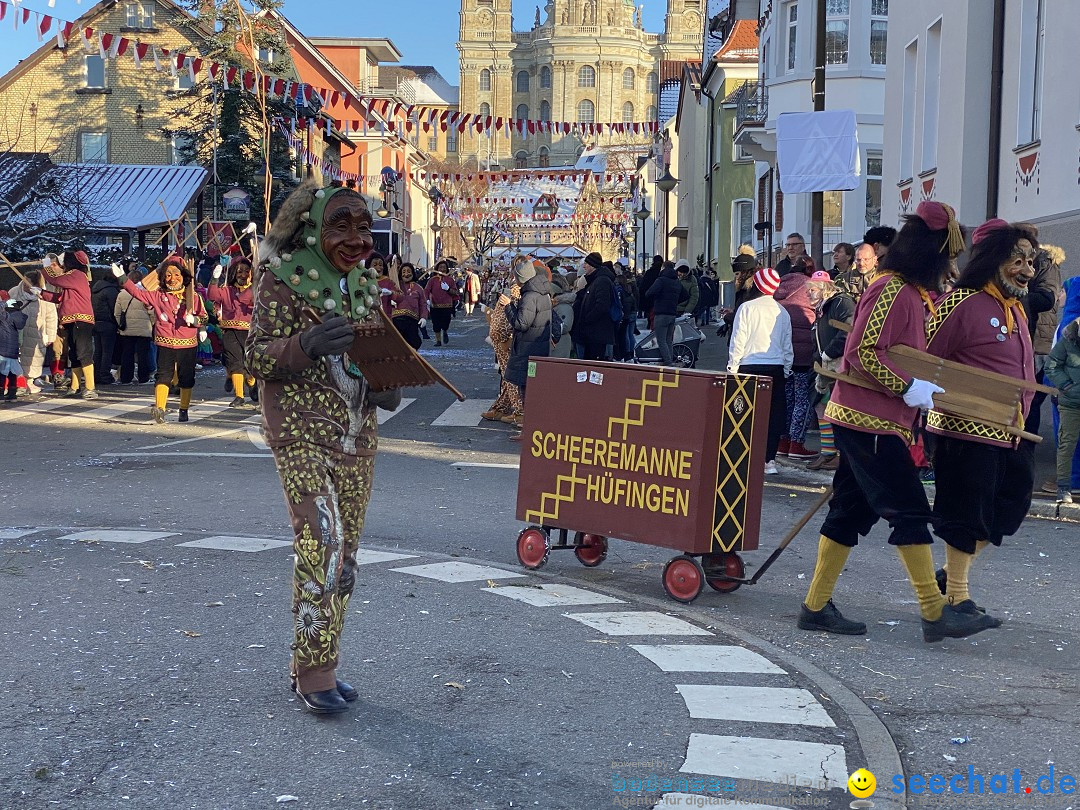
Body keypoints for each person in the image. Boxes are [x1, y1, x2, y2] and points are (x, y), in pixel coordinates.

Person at [797, 200, 996, 643]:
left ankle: (814, 606)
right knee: (908, 509)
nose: (951, 263)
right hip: (869, 421)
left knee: (849, 513)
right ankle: (933, 611)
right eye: (947, 254)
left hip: (877, 420)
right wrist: (907, 387)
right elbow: (863, 353)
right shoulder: (891, 288)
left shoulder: (912, 292)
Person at [245, 180, 401, 716]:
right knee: (322, 541)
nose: (358, 239)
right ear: (311, 228)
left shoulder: (363, 280)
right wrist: (305, 345)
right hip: (301, 429)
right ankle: (315, 673)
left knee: (346, 554)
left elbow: (373, 352)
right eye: (342, 225)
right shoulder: (282, 280)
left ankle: (317, 663)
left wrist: (388, 384)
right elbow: (256, 358)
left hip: (358, 434)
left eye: (363, 225)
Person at [925, 220, 1038, 623]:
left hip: (1013, 429)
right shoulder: (960, 302)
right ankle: (957, 599)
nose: (1028, 269)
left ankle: (953, 574)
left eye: (1031, 261)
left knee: (1010, 507)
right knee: (965, 511)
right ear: (993, 260)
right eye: (1018, 261)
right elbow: (925, 356)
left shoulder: (1015, 307)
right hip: (965, 429)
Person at [114, 257, 208, 424]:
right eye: (168, 275)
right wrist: (123, 279)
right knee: (163, 376)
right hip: (165, 342)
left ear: (183, 275)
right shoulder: (158, 296)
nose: (172, 278)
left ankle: (184, 409)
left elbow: (204, 317)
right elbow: (138, 293)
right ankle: (160, 408)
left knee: (186, 377)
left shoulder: (193, 297)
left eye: (176, 274)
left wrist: (196, 323)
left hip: (187, 342)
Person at [727, 267, 792, 474]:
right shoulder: (782, 311)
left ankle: (745, 456)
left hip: (749, 365)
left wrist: (733, 368)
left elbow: (738, 340)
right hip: (776, 366)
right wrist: (787, 369)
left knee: (744, 414)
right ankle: (769, 460)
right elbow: (787, 345)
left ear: (756, 284)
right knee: (773, 415)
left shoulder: (746, 308)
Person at [806, 271, 855, 471]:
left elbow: (848, 330)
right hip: (827, 365)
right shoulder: (823, 308)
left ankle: (838, 454)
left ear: (825, 289)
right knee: (822, 407)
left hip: (840, 365)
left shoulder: (841, 303)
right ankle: (828, 453)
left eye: (812, 290)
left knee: (837, 410)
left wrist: (828, 353)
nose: (808, 294)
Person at [500, 257, 552, 440]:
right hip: (538, 347)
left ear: (520, 277)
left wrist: (508, 306)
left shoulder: (530, 296)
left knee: (527, 391)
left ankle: (529, 431)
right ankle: (531, 427)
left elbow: (521, 323)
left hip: (528, 349)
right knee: (532, 390)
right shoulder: (542, 293)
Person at [40, 250, 99, 400]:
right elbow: (60, 297)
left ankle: (90, 387)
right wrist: (40, 292)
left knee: (83, 352)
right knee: (74, 354)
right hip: (73, 320)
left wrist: (46, 267)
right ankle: (75, 386)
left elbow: (54, 280)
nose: (61, 264)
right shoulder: (75, 277)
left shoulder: (76, 275)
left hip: (80, 319)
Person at [774, 268, 817, 461]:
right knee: (803, 400)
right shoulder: (808, 288)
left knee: (788, 399)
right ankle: (797, 443)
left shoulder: (779, 288)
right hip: (804, 355)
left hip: (784, 355)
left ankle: (782, 442)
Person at [208, 255, 257, 408]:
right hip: (230, 331)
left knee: (250, 363)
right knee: (235, 363)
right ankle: (239, 395)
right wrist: (214, 279)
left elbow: (247, 299)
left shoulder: (255, 289)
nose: (243, 275)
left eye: (246, 271)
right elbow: (212, 295)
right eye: (239, 271)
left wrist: (255, 281)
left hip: (251, 332)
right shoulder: (227, 290)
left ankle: (251, 382)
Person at [1046, 314, 1080, 503]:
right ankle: (1063, 489)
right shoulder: (1067, 339)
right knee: (1067, 445)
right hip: (1071, 403)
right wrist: (1066, 386)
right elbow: (1051, 366)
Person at [483, 278, 524, 425]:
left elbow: (515, 319)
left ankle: (519, 411)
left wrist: (506, 338)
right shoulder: (516, 291)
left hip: (507, 341)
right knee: (507, 377)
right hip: (503, 341)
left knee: (510, 377)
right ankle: (501, 408)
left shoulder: (518, 293)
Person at [7, 272, 56, 395]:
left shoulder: (45, 297)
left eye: (28, 282)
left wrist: (50, 336)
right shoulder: (14, 292)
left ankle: (29, 382)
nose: (25, 285)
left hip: (36, 332)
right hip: (17, 332)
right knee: (15, 357)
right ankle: (18, 382)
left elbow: (51, 317)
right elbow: (7, 310)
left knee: (34, 358)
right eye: (25, 281)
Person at [570, 252, 616, 361]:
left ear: (592, 265)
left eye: (586, 263)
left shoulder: (601, 280)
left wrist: (587, 319)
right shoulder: (595, 279)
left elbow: (602, 306)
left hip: (597, 334)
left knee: (595, 365)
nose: (584, 266)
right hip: (593, 333)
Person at [114, 267, 154, 385]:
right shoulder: (146, 294)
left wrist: (120, 324)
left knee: (127, 354)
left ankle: (126, 378)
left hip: (127, 329)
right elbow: (152, 312)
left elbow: (117, 312)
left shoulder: (121, 294)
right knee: (143, 355)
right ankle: (144, 378)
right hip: (144, 328)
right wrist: (152, 324)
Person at [645, 261, 686, 366]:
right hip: (672, 314)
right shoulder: (677, 282)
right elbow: (685, 295)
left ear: (663, 268)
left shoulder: (661, 280)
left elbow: (649, 293)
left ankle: (668, 363)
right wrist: (674, 301)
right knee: (669, 340)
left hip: (661, 313)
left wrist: (658, 298)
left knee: (661, 340)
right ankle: (670, 360)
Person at [91, 269, 121, 386]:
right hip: (108, 324)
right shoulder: (111, 290)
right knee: (107, 352)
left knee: (98, 351)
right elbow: (115, 309)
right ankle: (105, 375)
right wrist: (119, 323)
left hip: (96, 322)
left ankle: (96, 375)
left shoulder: (95, 289)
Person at [389, 262, 429, 350]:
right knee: (398, 342)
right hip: (397, 319)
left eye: (408, 271)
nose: (406, 274)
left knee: (414, 341)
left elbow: (423, 304)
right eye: (403, 272)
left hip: (412, 320)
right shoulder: (395, 286)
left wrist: (423, 317)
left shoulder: (418, 288)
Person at [0, 296, 28, 401]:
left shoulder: (6, 317)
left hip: (2, 350)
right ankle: (12, 395)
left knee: (1, 373)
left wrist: (3, 303)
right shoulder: (18, 319)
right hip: (13, 351)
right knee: (12, 373)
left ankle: (0, 395)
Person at [425, 259, 456, 346]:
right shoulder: (432, 280)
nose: (442, 269)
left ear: (447, 269)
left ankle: (445, 331)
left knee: (446, 322)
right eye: (440, 267)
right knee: (436, 324)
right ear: (437, 268)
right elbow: (426, 290)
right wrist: (427, 300)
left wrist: (448, 289)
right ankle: (438, 340)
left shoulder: (450, 280)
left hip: (447, 305)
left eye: (444, 267)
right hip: (435, 305)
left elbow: (455, 292)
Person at [549, 274, 575, 359]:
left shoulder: (564, 307)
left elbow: (565, 326)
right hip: (555, 343)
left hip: (560, 345)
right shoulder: (557, 305)